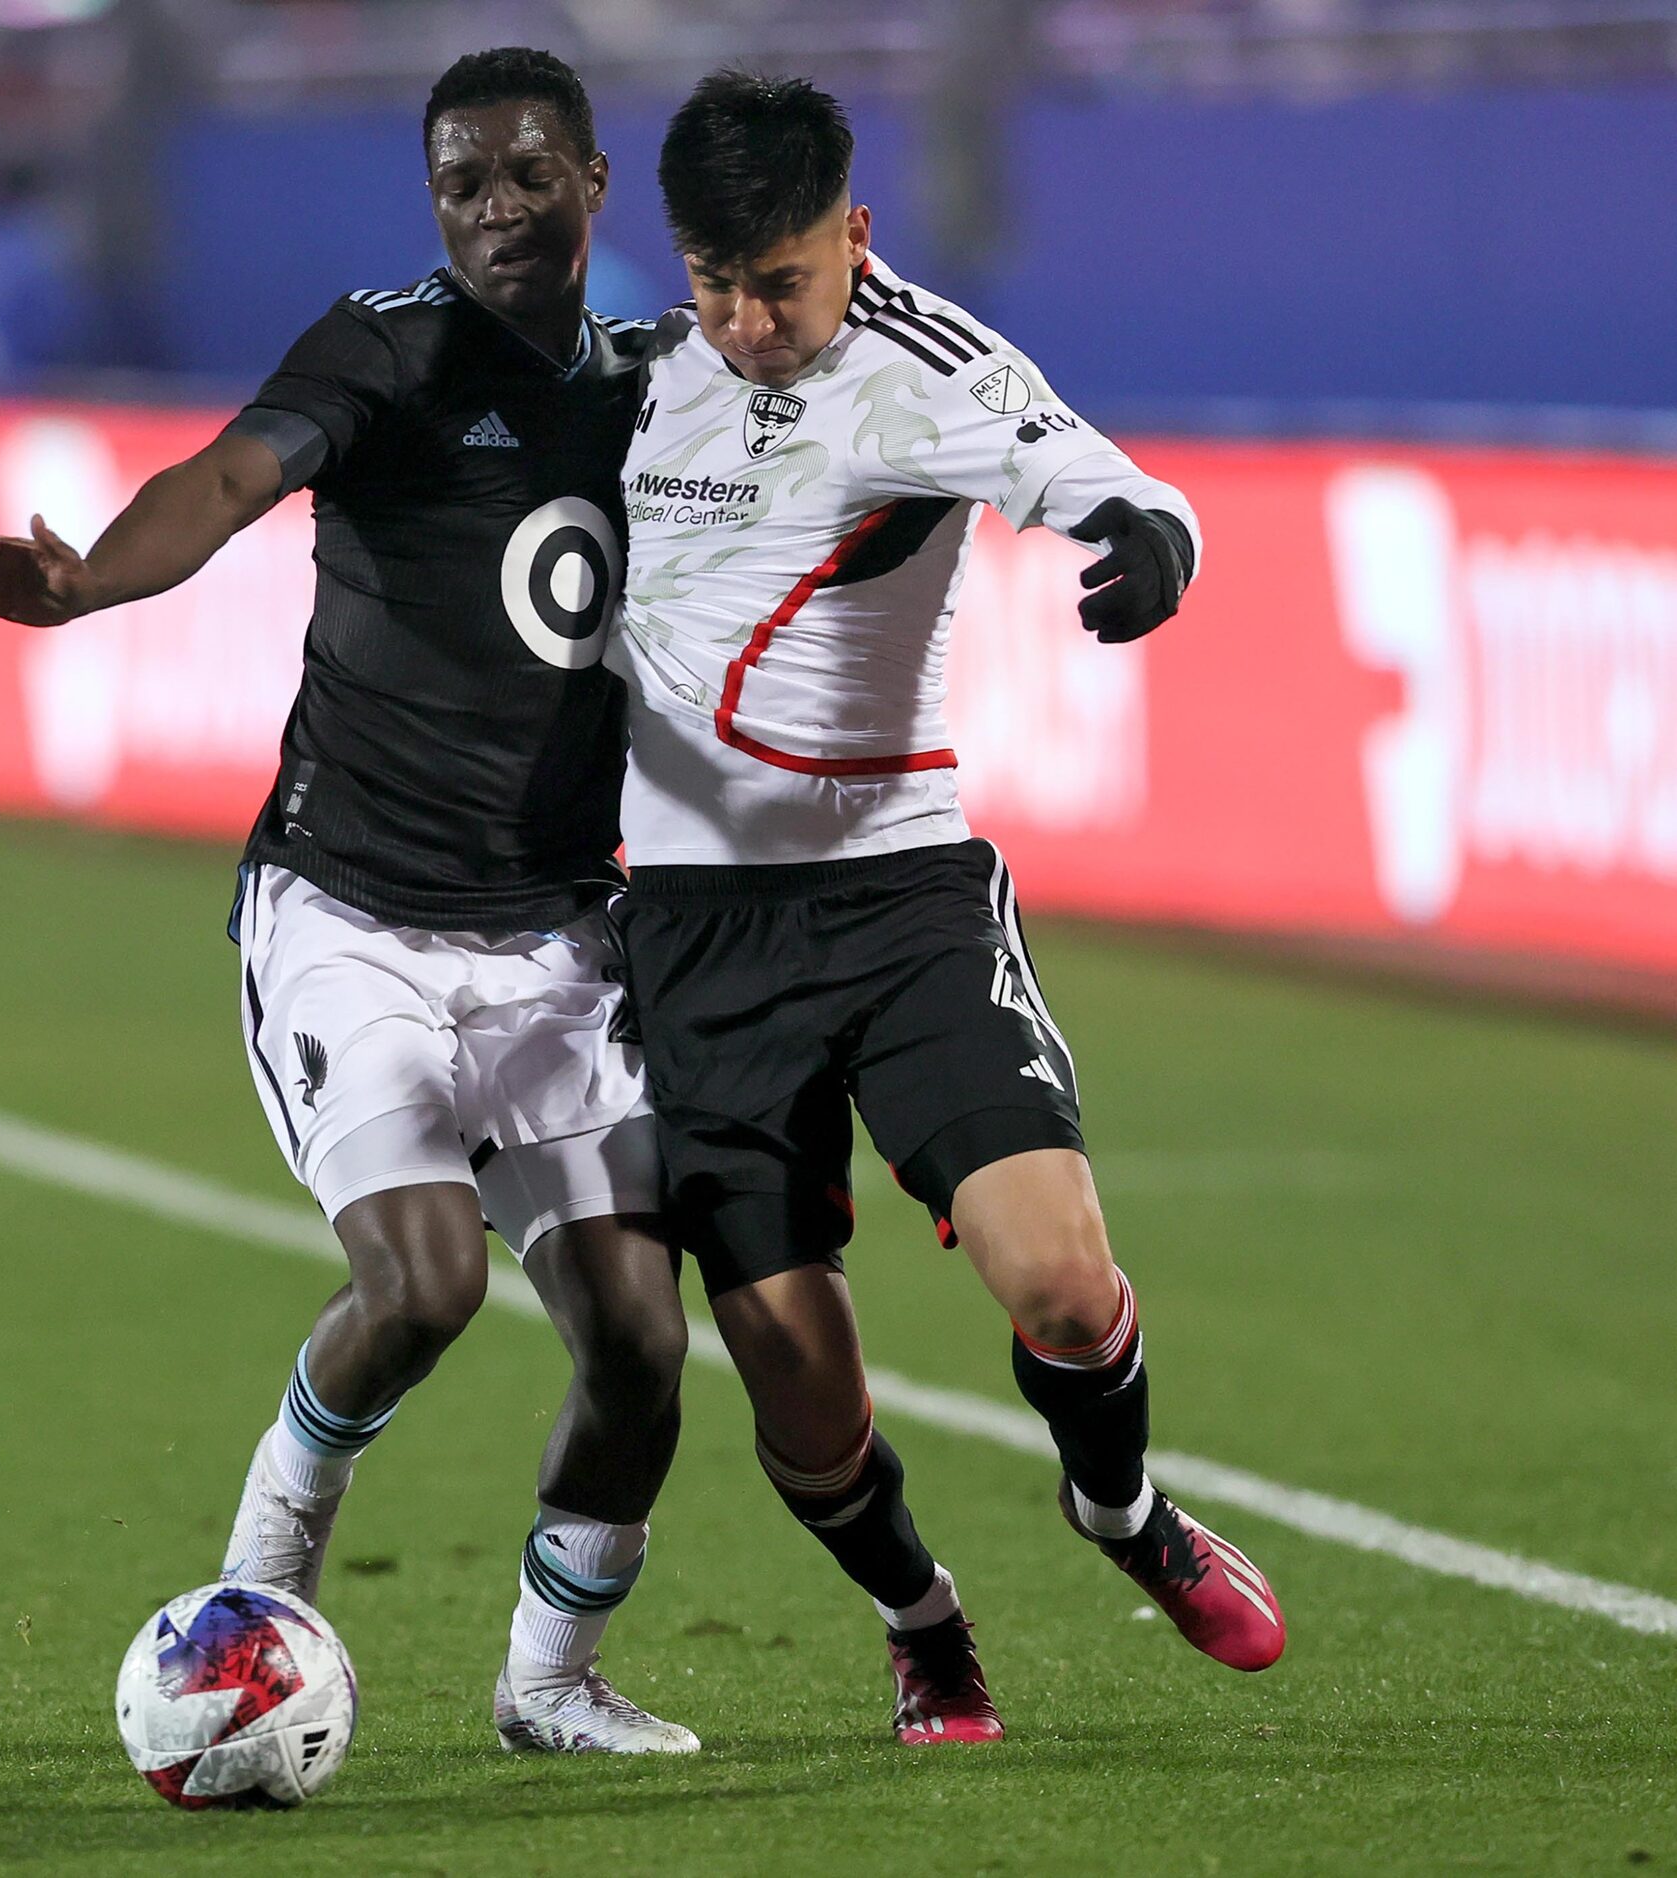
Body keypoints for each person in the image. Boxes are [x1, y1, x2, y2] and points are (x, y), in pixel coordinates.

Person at [0, 48, 698, 1757]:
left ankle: (547, 1681)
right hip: (350, 913)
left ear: (590, 180)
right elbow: (224, 480)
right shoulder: (387, 343)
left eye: (521, 172)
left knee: (641, 1336)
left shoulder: (667, 375)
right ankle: (265, 1563)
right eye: (459, 181)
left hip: (563, 936)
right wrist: (92, 580)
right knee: (420, 1281)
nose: (491, 206)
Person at [607, 70, 1287, 1745]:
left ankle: (1118, 1510)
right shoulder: (609, 378)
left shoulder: (930, 366)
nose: (747, 320)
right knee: (795, 1378)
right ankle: (922, 1619)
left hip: (901, 891)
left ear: (852, 231)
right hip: (689, 932)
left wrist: (1145, 537)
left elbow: (1099, 475)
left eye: (778, 280)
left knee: (1058, 1280)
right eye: (712, 282)